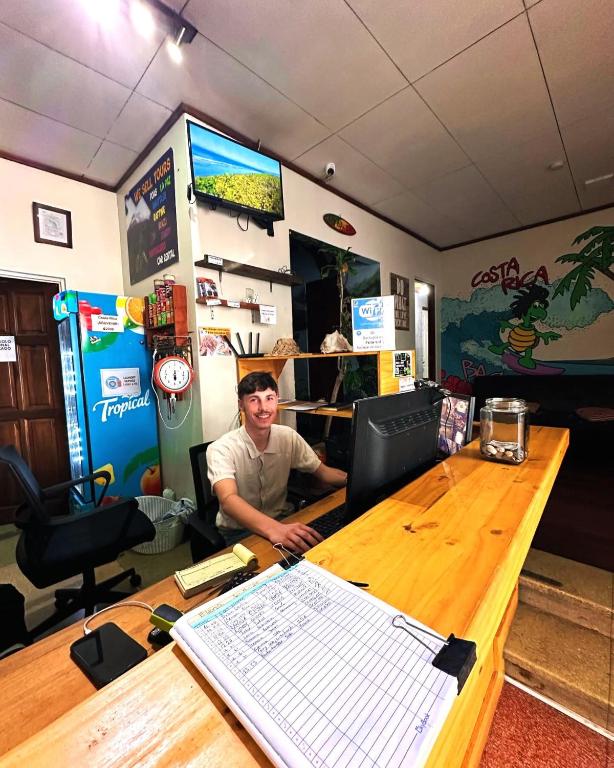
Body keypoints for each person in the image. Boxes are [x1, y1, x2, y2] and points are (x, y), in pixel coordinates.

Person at [207, 371, 347, 553]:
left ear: (277, 400)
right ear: (241, 404)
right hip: (240, 533)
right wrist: (275, 529)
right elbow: (228, 500)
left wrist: (357, 479)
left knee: (330, 549)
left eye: (269, 398)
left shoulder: (287, 437)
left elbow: (324, 473)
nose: (263, 407)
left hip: (283, 521)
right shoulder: (221, 448)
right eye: (254, 400)